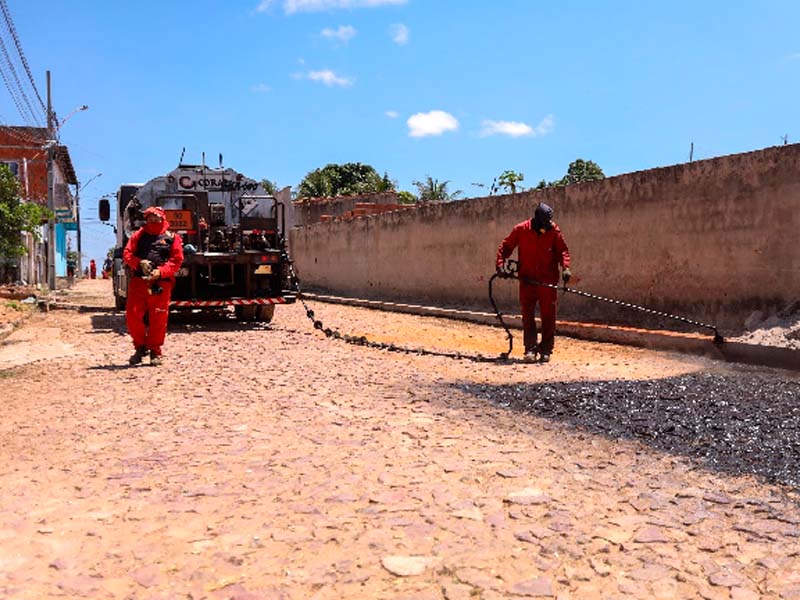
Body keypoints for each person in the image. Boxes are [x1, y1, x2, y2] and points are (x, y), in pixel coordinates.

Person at [496, 202, 571, 363]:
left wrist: (565, 267)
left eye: (549, 222)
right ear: (536, 219)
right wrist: (500, 264)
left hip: (547, 280)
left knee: (548, 315)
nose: (547, 225)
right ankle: (530, 349)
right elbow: (506, 247)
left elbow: (562, 251)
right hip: (527, 279)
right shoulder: (521, 229)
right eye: (544, 222)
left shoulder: (553, 231)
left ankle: (546, 350)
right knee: (527, 314)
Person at [123, 206, 184, 366]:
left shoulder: (172, 238)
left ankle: (155, 351)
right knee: (132, 315)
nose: (153, 221)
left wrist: (161, 272)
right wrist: (139, 263)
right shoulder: (139, 235)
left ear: (162, 218)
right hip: (139, 283)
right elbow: (127, 254)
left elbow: (176, 260)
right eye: (149, 218)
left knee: (159, 317)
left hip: (161, 283)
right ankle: (140, 346)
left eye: (156, 218)